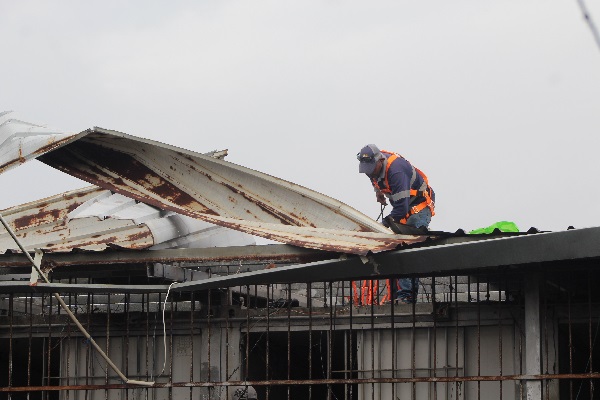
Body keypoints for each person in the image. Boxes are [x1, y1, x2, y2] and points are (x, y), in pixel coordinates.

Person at [357, 144, 435, 304]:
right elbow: (373, 178)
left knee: (405, 248)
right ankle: (397, 296)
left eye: (371, 168)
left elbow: (401, 209)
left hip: (418, 208)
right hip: (404, 206)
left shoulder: (396, 171)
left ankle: (406, 295)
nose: (369, 172)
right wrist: (378, 193)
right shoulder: (372, 168)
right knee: (394, 247)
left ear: (379, 160)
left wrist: (384, 224)